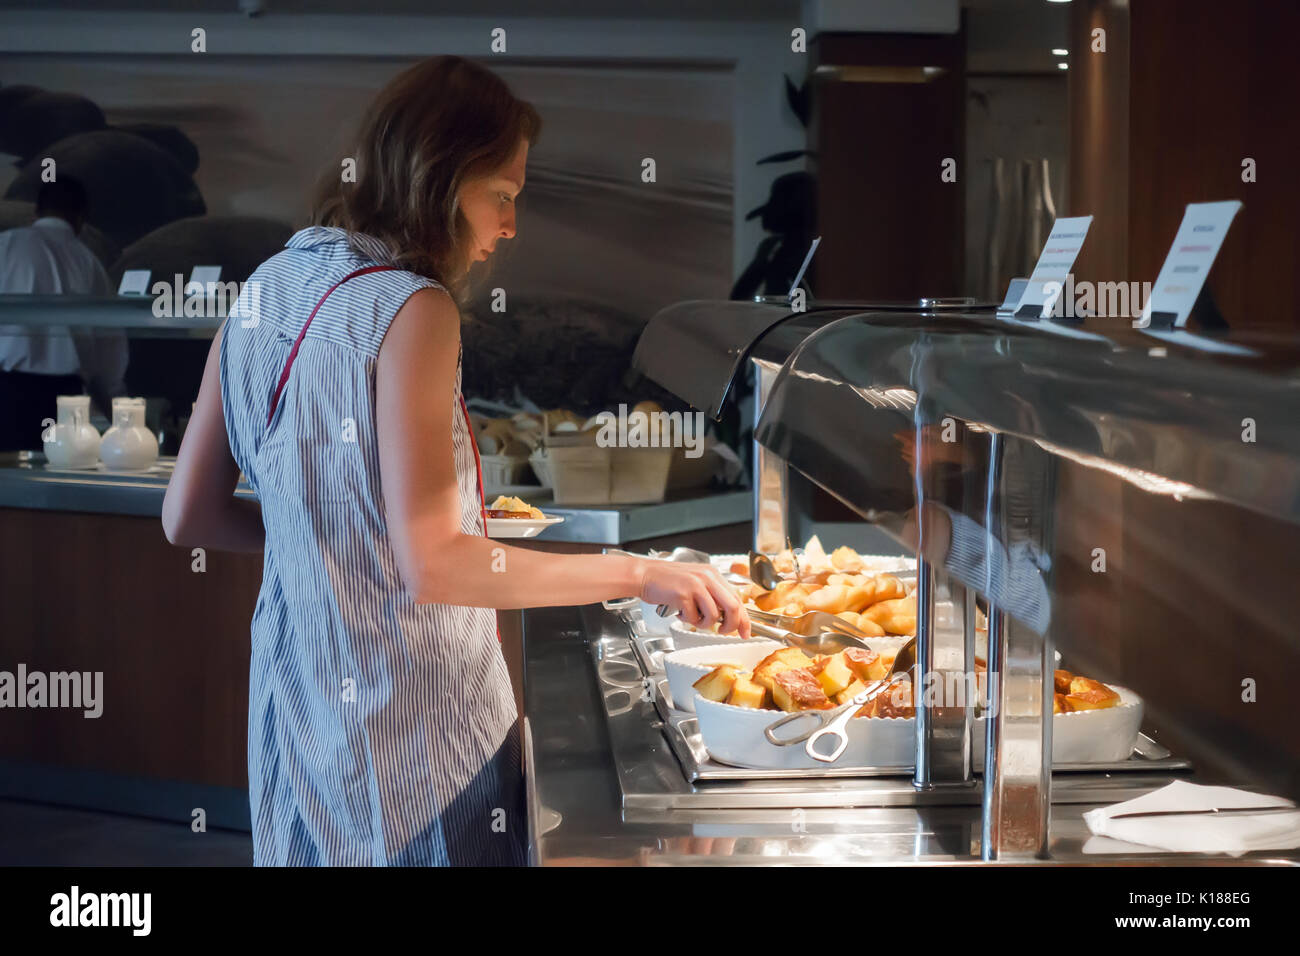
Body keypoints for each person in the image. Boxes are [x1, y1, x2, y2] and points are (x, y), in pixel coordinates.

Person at [161, 56, 748, 867]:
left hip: (297, 710)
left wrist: (329, 544)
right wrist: (637, 573)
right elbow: (435, 567)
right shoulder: (415, 307)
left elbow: (187, 516)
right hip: (415, 727)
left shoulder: (266, 286)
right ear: (438, 178)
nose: (509, 227)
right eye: (502, 197)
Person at [0, 176, 128, 451]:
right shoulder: (89, 263)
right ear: (81, 218)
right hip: (64, 400)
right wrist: (118, 416)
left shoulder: (6, 246)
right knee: (53, 483)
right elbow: (109, 353)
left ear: (36, 212)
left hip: (6, 390)